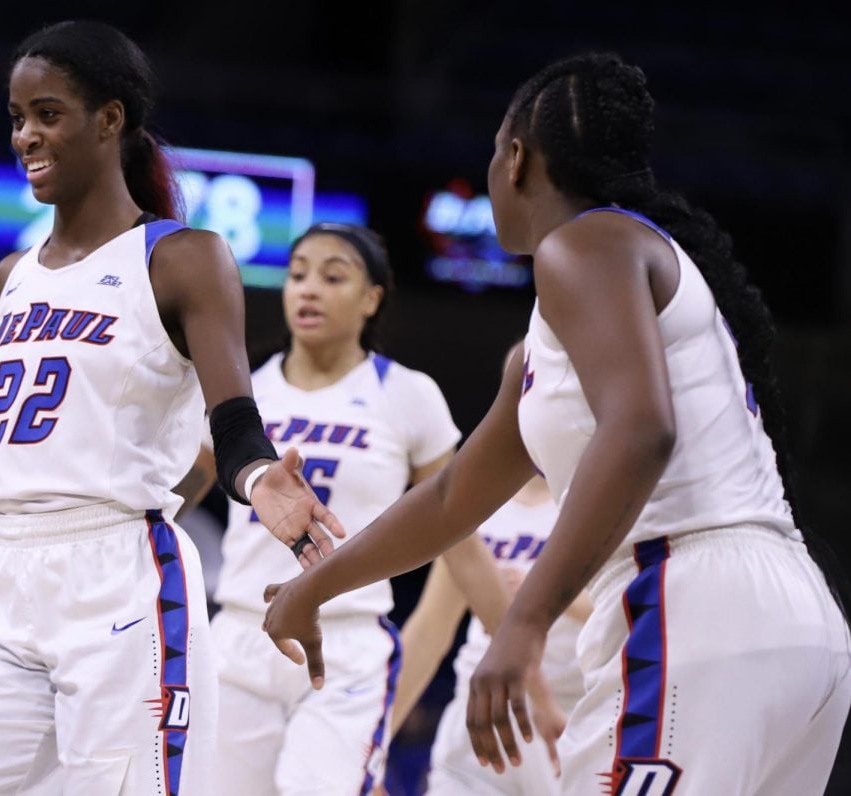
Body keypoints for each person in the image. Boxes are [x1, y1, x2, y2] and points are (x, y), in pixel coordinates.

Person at [262, 51, 851, 796]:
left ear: (516, 157)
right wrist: (313, 588)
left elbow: (641, 429)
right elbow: (451, 501)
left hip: (690, 607)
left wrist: (523, 621)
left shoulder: (584, 244)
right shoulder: (561, 329)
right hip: (792, 627)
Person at [0, 20, 340, 795]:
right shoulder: (9, 277)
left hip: (120, 580)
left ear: (110, 119)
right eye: (18, 117)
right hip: (6, 573)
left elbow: (232, 423)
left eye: (49, 113)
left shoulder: (181, 257)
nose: (27, 134)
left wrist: (261, 477)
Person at [207, 222, 462, 795]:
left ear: (372, 297)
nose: (309, 289)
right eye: (297, 275)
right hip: (240, 635)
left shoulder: (407, 394)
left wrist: (512, 631)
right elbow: (166, 500)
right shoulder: (240, 395)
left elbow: (460, 533)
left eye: (332, 276)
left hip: (346, 641)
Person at [391, 471, 591, 796]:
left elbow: (635, 613)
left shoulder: (605, 492)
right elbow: (431, 629)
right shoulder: (482, 503)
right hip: (483, 717)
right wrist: (376, 737)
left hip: (572, 717)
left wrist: (546, 591)